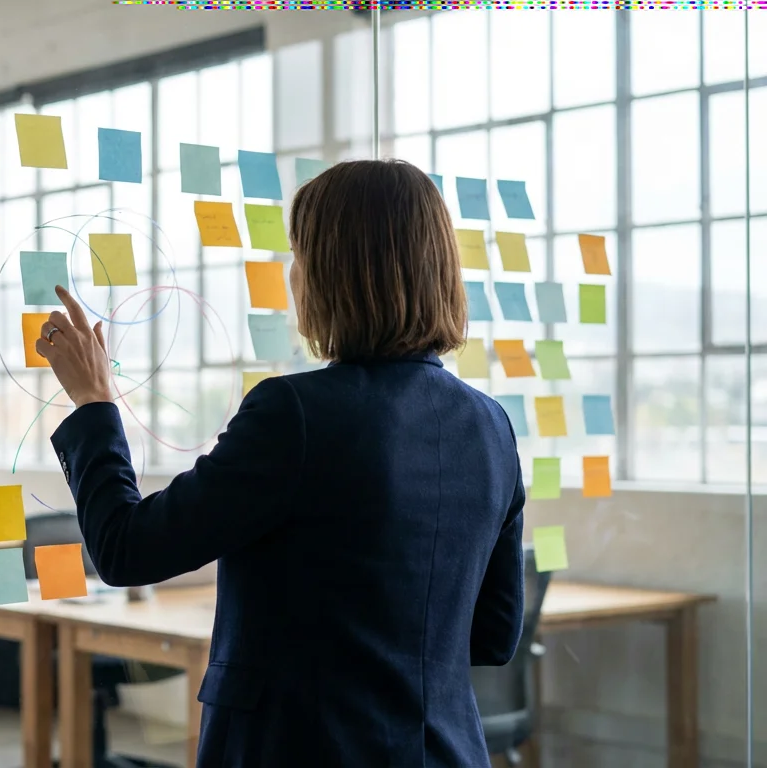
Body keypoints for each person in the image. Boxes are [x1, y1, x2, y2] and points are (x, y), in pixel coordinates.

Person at [32, 159, 525, 767]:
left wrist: (93, 403)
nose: (293, 274)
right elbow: (494, 637)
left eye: (299, 254)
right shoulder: (491, 426)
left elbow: (127, 550)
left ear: (329, 272)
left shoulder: (294, 413)